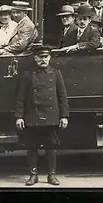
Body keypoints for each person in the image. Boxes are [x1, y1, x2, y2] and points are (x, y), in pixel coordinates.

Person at [15, 45, 69, 186]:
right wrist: (19, 116)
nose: (44, 60)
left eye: (46, 57)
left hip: (51, 115)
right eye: (41, 57)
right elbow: (20, 98)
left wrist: (64, 116)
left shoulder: (56, 74)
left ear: (50, 58)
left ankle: (52, 175)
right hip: (32, 115)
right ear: (35, 58)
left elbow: (62, 97)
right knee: (32, 147)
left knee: (51, 147)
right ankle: (33, 175)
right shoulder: (27, 75)